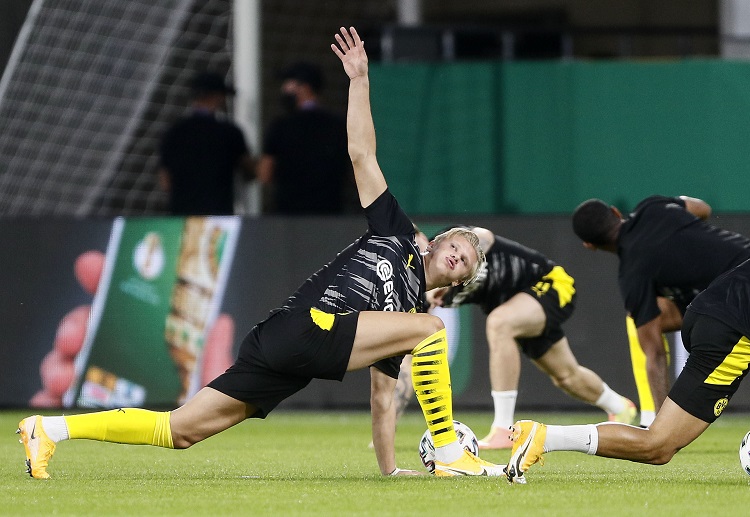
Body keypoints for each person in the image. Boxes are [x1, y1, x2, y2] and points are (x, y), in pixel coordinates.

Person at [18, 26, 503, 480]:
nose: (463, 253)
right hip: (305, 325)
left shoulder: (409, 318)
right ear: (435, 242)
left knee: (180, 430)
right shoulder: (396, 233)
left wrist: (389, 471)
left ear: (459, 281)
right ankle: (448, 450)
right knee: (431, 329)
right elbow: (362, 154)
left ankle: (50, 430)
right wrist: (359, 81)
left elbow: (382, 398)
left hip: (291, 353)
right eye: (458, 243)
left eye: (470, 260)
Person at [386, 226, 638, 451]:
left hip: (548, 282)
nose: (415, 246)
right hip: (518, 306)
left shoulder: (453, 248)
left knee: (499, 322)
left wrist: (468, 255)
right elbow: (408, 361)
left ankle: (504, 430)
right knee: (567, 376)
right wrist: (389, 422)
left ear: (428, 242)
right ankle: (620, 407)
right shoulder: (423, 294)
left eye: (416, 239)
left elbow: (483, 236)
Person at [504, 256, 750, 484]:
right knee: (659, 445)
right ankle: (543, 438)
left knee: (657, 444)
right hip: (730, 329)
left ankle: (544, 437)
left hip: (707, 311)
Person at [572, 195, 750, 420]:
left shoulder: (633, 277)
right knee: (652, 315)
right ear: (616, 213)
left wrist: (662, 424)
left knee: (643, 323)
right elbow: (703, 208)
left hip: (735, 298)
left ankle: (653, 418)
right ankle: (651, 417)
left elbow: (655, 355)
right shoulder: (652, 206)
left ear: (589, 246)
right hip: (737, 279)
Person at [256, 61, 352, 214]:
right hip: (330, 213)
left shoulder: (280, 126)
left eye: (288, 84)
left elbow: (265, 174)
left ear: (304, 87)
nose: (283, 89)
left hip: (288, 215)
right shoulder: (338, 125)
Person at [159, 71, 255, 215]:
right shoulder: (230, 132)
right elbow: (250, 170)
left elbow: (165, 181)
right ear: (217, 97)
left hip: (181, 216)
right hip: (218, 217)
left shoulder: (175, 132)